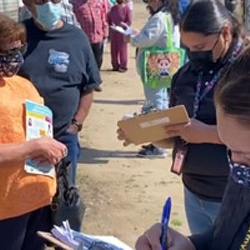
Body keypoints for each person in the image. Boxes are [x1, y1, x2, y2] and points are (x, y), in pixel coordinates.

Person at [119, 0, 247, 234]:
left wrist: (207, 134)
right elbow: (177, 131)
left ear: (225, 33)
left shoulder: (243, 73)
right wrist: (144, 132)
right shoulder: (185, 76)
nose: (194, 55)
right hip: (194, 191)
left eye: (200, 47)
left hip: (237, 197)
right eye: (188, 48)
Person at [135, 42, 250, 250]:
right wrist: (190, 245)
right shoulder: (242, 176)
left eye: (247, 156)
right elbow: (223, 238)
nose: (235, 164)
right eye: (229, 149)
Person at [0, 13, 67, 250]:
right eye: (6, 53)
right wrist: (33, 148)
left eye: (19, 50)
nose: (14, 58)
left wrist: (50, 147)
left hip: (37, 200)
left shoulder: (23, 84)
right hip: (5, 210)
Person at [19, 0, 101, 184]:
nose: (49, 5)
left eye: (54, 0)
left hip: (64, 136)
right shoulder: (18, 36)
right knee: (29, 197)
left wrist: (76, 125)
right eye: (41, 1)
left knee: (65, 198)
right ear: (28, 3)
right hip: (24, 139)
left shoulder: (77, 39)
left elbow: (88, 88)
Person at [124, 0, 181, 159]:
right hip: (165, 67)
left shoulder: (160, 17)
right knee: (160, 102)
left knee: (156, 104)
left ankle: (158, 145)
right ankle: (157, 142)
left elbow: (146, 39)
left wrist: (132, 38)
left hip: (156, 68)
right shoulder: (169, 16)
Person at [108, 0, 132, 72]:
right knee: (114, 49)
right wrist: (111, 25)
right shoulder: (113, 8)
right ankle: (115, 65)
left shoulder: (127, 9)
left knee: (122, 49)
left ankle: (123, 66)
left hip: (123, 32)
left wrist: (124, 25)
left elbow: (129, 21)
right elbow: (109, 18)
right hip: (114, 31)